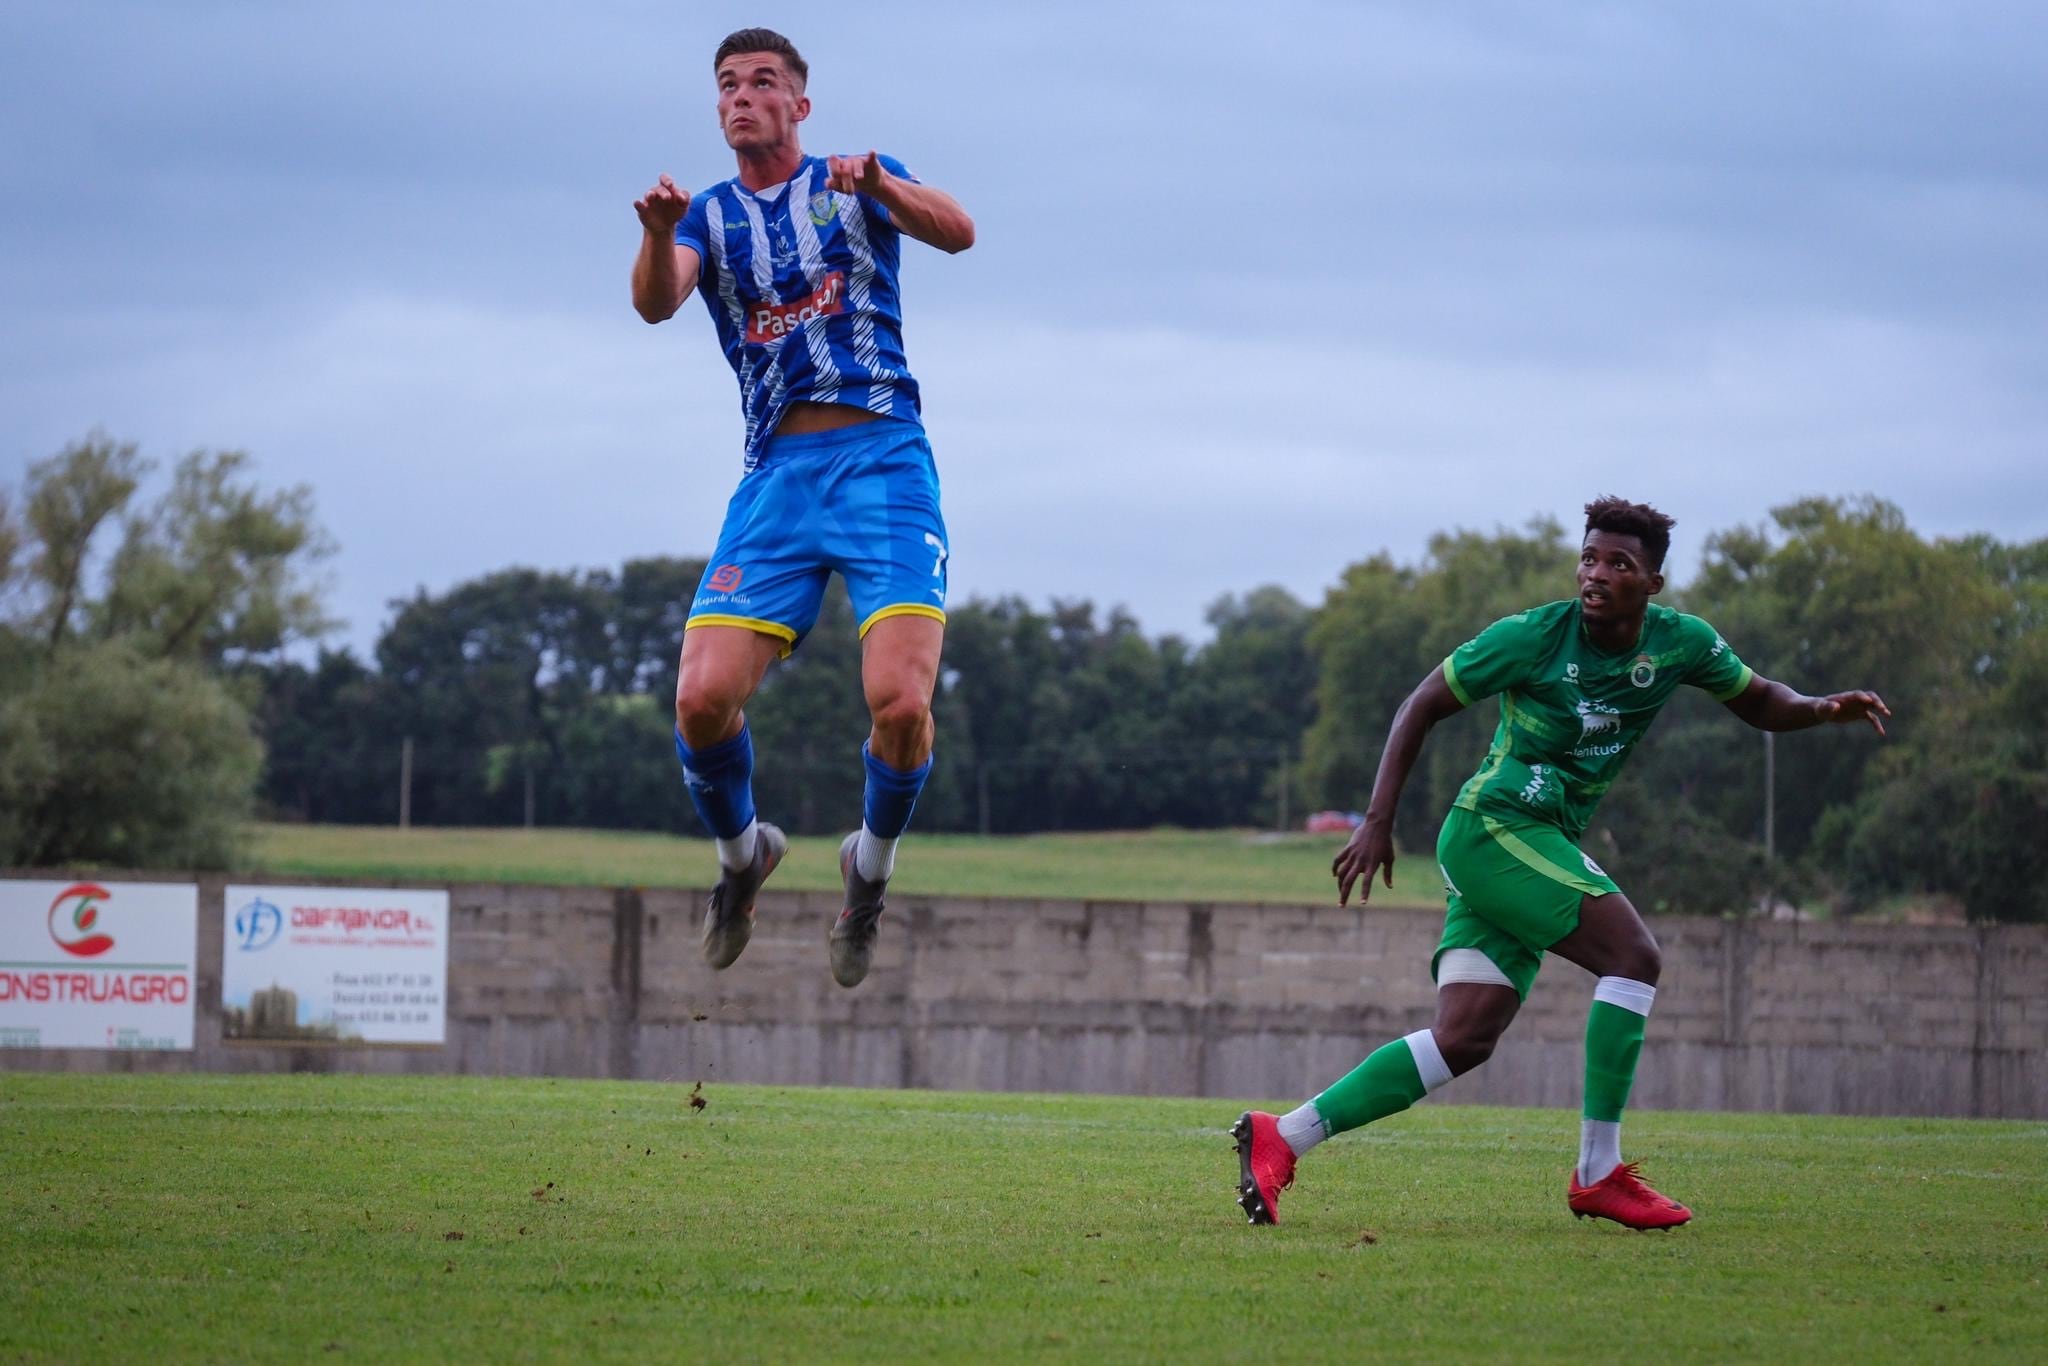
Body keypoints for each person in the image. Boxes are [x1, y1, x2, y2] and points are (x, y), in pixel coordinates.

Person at [1233, 497, 1890, 1229]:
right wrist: (1377, 824)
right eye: (1589, 557)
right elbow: (1419, 703)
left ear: (1653, 584)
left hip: (1533, 842)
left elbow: (1762, 699)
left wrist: (1824, 708)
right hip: (1495, 827)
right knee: (1634, 957)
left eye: (1619, 563)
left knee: (1465, 1038)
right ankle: (1598, 1171)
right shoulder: (1533, 636)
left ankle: (1283, 1136)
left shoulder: (1681, 644)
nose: (1597, 574)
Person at [630, 28, 974, 987]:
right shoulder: (704, 216)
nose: (743, 97)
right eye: (729, 85)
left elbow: (958, 229)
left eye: (763, 83)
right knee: (700, 700)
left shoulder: (853, 176)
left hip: (883, 461)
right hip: (777, 478)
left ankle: (868, 871)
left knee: (901, 704)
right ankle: (744, 858)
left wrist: (883, 191)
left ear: (800, 103)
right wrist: (657, 234)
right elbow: (658, 304)